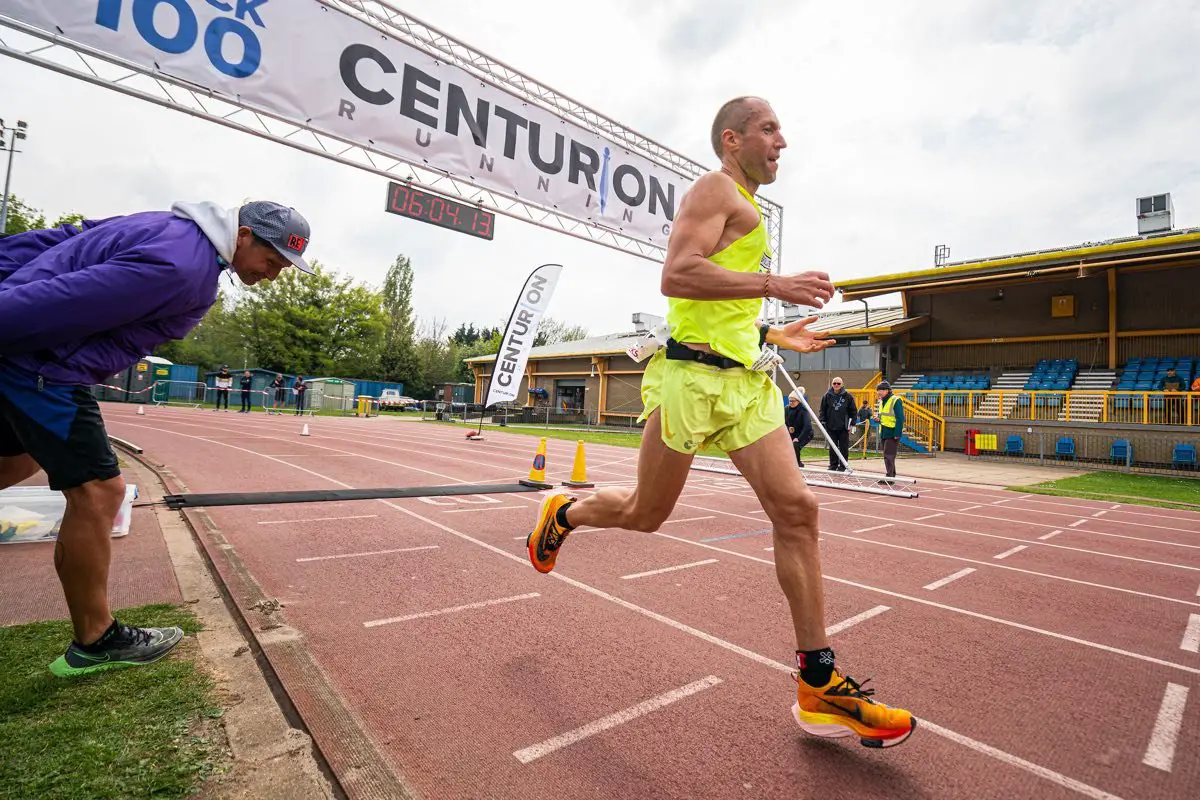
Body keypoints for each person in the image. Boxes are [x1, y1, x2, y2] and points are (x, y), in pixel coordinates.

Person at [525, 97, 915, 748]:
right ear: (732, 140)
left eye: (782, 129)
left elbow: (721, 303)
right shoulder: (716, 187)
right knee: (648, 514)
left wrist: (772, 330)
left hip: (744, 385)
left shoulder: (749, 211)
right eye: (769, 129)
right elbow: (677, 276)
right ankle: (565, 512)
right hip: (691, 381)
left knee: (798, 509)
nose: (782, 140)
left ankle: (818, 684)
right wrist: (775, 286)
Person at [0, 199, 314, 677]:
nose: (273, 275)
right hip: (45, 369)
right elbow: (63, 299)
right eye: (271, 261)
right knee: (99, 493)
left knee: (16, 461)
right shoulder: (182, 269)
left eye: (284, 268)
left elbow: (65, 237)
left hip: (31, 363)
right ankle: (96, 639)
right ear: (244, 235)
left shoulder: (170, 227)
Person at [818, 376, 858, 471]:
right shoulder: (827, 396)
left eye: (838, 383)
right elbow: (822, 410)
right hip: (831, 426)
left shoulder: (848, 396)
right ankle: (833, 465)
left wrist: (852, 422)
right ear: (832, 384)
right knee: (833, 447)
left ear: (842, 384)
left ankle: (843, 465)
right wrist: (822, 421)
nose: (836, 385)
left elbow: (853, 410)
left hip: (843, 427)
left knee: (843, 447)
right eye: (834, 383)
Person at [872, 381, 904, 481]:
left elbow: (900, 418)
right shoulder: (882, 401)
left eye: (880, 390)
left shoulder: (895, 400)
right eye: (878, 390)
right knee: (887, 455)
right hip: (884, 431)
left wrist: (897, 433)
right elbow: (885, 415)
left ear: (887, 390)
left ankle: (889, 477)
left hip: (892, 431)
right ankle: (891, 475)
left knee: (889, 455)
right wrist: (878, 418)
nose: (878, 392)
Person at [784, 390, 814, 467]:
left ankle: (797, 464)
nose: (791, 403)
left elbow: (807, 427)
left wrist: (799, 438)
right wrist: (788, 428)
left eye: (793, 401)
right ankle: (789, 462)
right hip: (793, 433)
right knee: (787, 446)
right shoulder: (787, 409)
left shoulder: (803, 411)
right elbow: (783, 423)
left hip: (805, 433)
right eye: (790, 401)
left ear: (798, 401)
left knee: (796, 445)